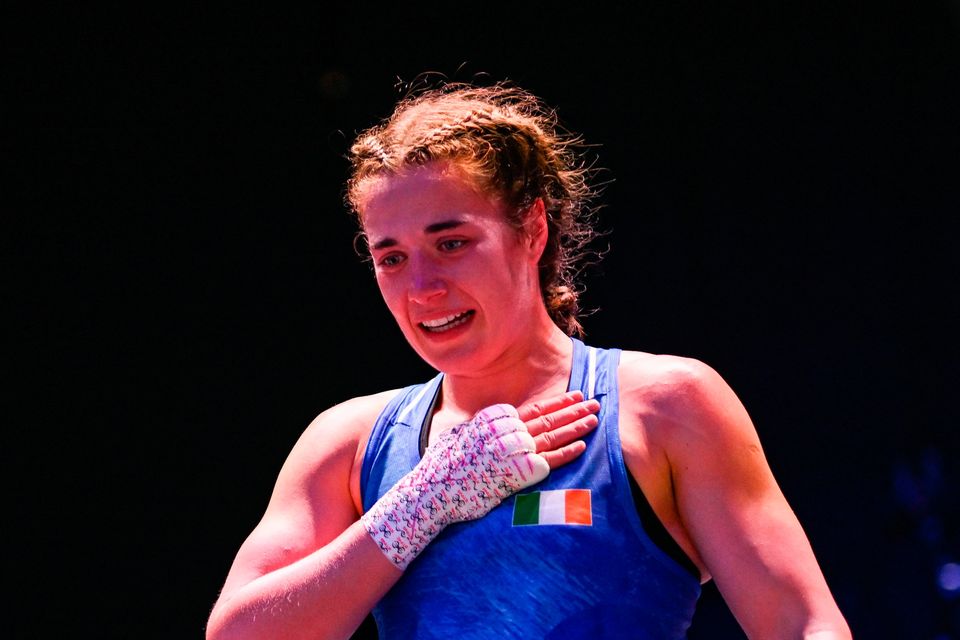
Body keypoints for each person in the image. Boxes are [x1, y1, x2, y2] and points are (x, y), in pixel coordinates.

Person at [205, 78, 852, 640]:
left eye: (452, 242)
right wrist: (418, 504)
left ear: (533, 230)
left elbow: (802, 624)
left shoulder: (667, 407)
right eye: (391, 257)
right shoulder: (350, 443)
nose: (422, 287)